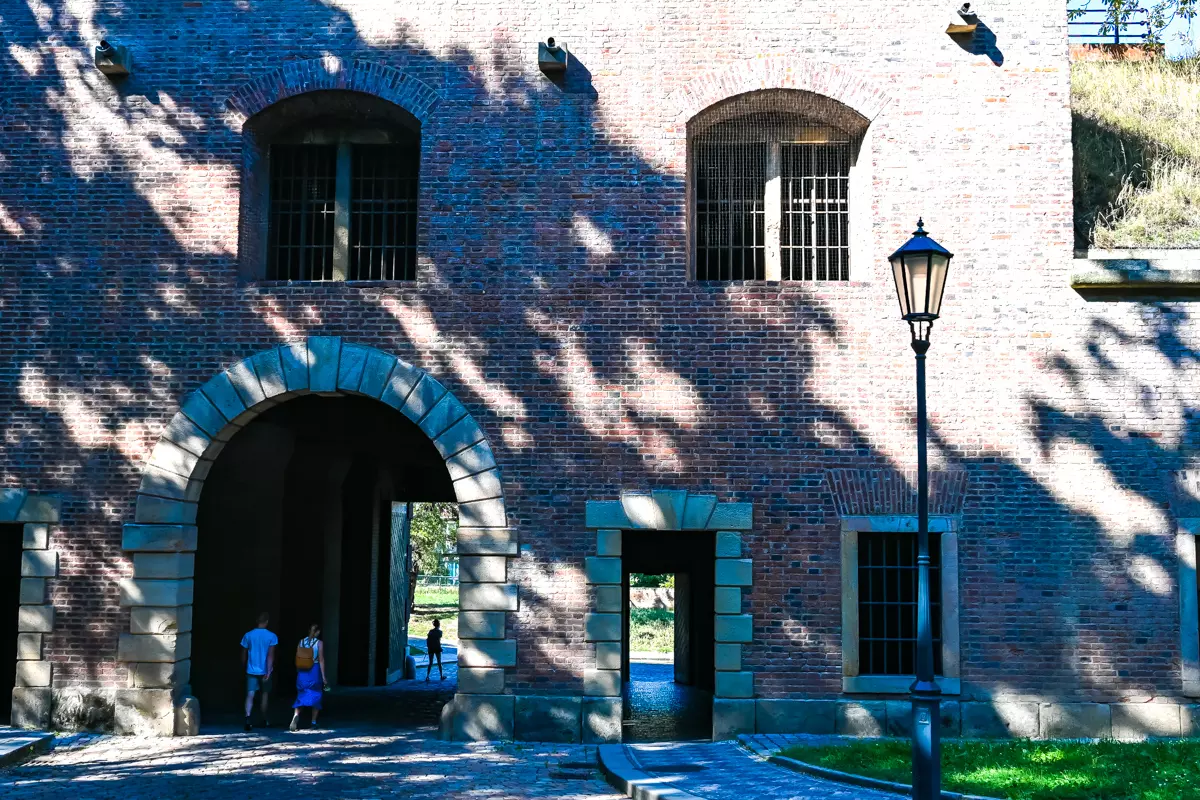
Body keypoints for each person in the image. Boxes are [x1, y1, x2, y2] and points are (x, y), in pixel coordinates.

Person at [240, 611, 278, 731]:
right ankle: (264, 719)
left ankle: (247, 718)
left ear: (257, 621)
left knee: (250, 695)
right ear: (267, 622)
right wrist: (268, 671)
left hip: (251, 670)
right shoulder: (272, 636)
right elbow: (270, 655)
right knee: (264, 695)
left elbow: (244, 653)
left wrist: (244, 665)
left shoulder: (248, 635)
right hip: (264, 670)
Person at [289, 623, 328, 731]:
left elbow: (297, 657)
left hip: (302, 672)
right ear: (318, 632)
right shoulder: (319, 643)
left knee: (301, 694)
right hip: (314, 671)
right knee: (316, 695)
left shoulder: (301, 642)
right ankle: (313, 721)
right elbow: (321, 660)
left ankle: (296, 715)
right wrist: (324, 676)